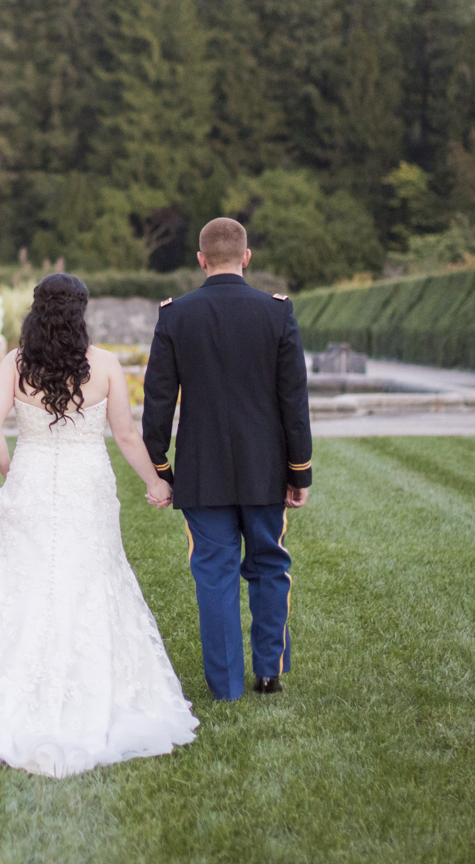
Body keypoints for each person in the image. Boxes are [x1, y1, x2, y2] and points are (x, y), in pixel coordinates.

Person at [0, 272, 198, 777]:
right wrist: (156, 482)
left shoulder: (15, 363)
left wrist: (11, 469)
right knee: (88, 578)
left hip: (30, 480)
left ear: (35, 310)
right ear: (82, 310)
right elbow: (124, 433)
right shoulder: (103, 365)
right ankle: (93, 691)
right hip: (86, 485)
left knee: (20, 580)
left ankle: (3, 690)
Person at [144, 217, 313, 700]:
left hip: (202, 471)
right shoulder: (276, 313)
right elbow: (293, 401)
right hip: (266, 469)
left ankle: (224, 687)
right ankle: (267, 673)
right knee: (268, 568)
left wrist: (162, 468)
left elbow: (157, 402)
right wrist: (298, 469)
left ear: (200, 260)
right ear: (246, 257)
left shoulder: (176, 315)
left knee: (214, 577)